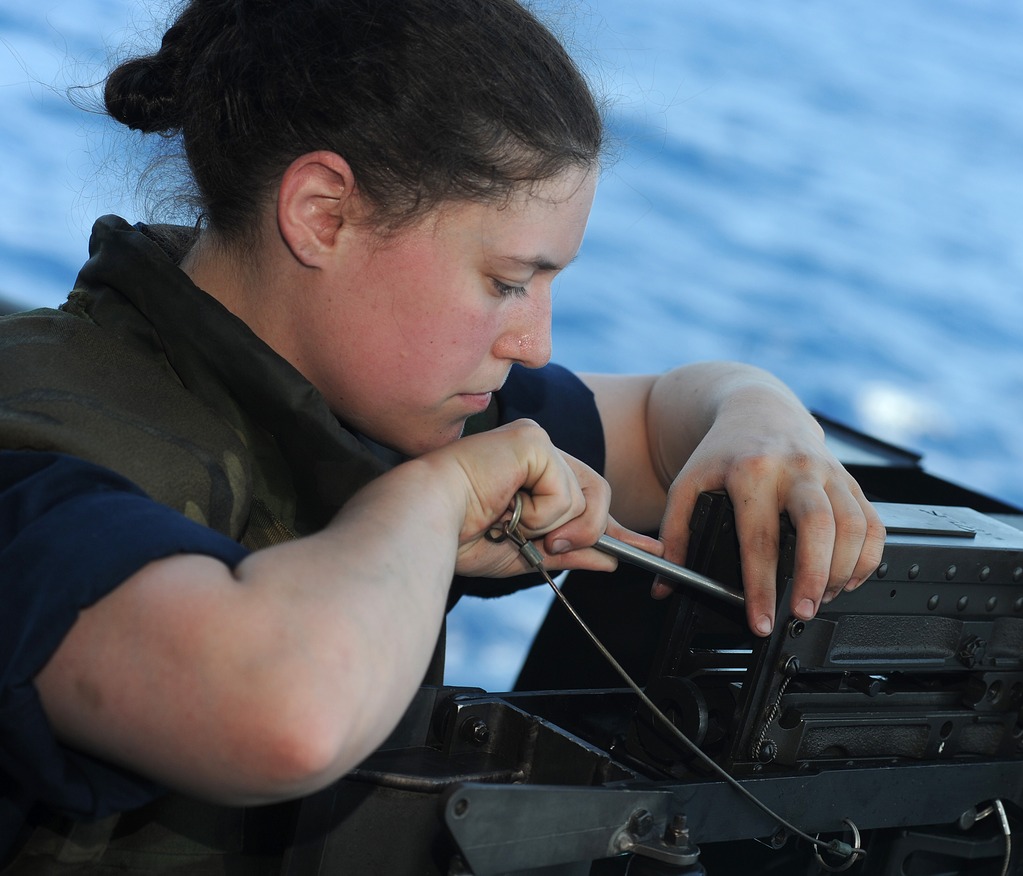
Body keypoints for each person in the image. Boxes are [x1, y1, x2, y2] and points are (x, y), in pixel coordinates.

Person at [0, 0, 884, 868]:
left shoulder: (391, 396)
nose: (533, 342)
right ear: (323, 215)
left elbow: (662, 427)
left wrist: (762, 413)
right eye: (506, 282)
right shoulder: (36, 442)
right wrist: (431, 504)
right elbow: (281, 716)